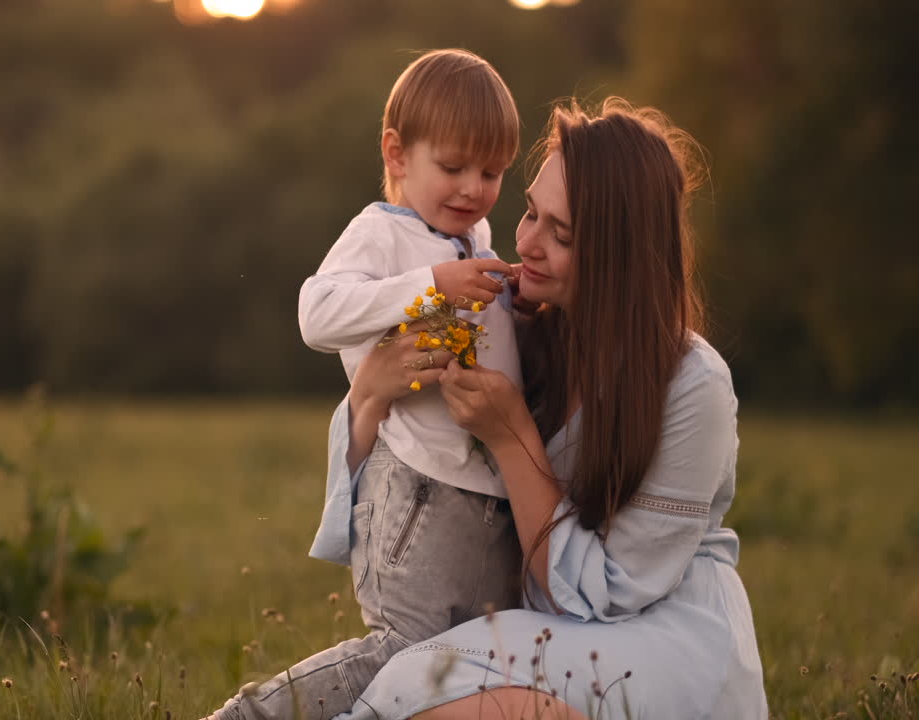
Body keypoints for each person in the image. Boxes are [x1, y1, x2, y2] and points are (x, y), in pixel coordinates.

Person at [330, 98, 767, 719]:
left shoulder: (693, 386)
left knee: (468, 702)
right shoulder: (526, 331)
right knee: (409, 682)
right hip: (553, 630)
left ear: (619, 258)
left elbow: (604, 596)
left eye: (560, 234)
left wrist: (511, 438)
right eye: (531, 212)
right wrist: (370, 391)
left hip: (660, 640)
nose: (526, 241)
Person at [209, 49, 526, 720]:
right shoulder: (381, 232)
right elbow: (316, 313)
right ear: (397, 153)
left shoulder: (475, 238)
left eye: (492, 171)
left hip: (484, 492)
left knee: (461, 667)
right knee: (407, 652)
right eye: (453, 167)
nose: (473, 188)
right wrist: (431, 287)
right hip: (418, 487)